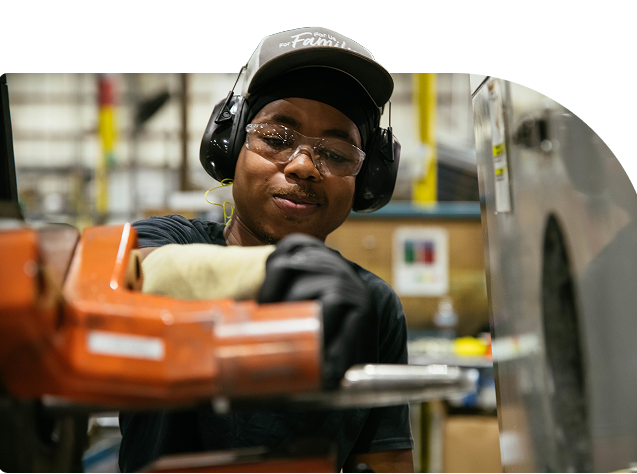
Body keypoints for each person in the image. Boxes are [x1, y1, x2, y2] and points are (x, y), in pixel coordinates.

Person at [117, 26, 414, 473]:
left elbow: (387, 460)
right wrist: (278, 271)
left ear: (368, 177)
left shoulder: (371, 305)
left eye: (336, 153)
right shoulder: (165, 241)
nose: (303, 166)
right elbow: (138, 276)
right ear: (231, 144)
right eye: (277, 138)